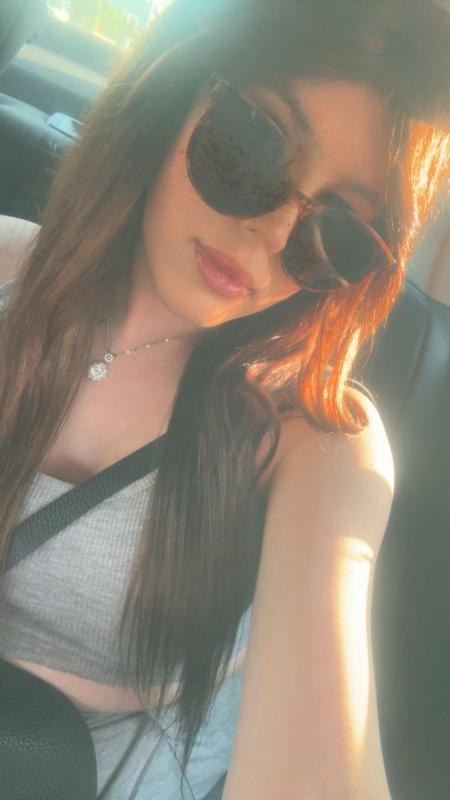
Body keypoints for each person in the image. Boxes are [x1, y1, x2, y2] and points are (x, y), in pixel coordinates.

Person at [0, 1, 449, 798]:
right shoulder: (8, 270)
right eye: (251, 146)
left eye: (341, 232)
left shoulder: (314, 438)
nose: (274, 233)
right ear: (175, 90)